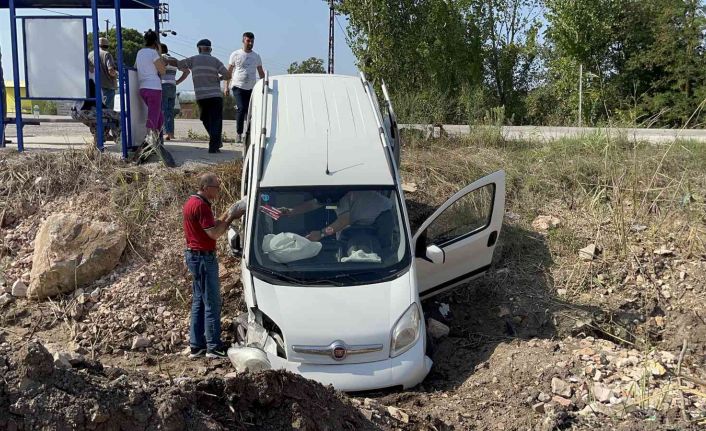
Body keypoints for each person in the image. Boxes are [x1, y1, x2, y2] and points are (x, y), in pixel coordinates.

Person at [183, 173, 246, 359]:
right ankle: (213, 347)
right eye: (216, 187)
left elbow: (211, 225)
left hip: (195, 256)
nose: (218, 190)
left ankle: (197, 345)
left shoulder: (193, 203)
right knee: (212, 302)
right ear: (206, 187)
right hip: (203, 258)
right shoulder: (201, 206)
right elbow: (215, 233)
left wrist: (228, 213)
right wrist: (231, 217)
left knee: (199, 301)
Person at [178, 39, 231, 153]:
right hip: (216, 96)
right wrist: (219, 78)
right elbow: (227, 75)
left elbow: (179, 64)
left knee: (205, 119)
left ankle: (215, 144)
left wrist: (167, 60)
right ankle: (215, 143)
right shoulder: (216, 61)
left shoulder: (193, 60)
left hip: (202, 97)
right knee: (216, 120)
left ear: (199, 48)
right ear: (210, 49)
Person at [281, 191, 393, 242]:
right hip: (363, 215)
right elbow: (313, 204)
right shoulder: (331, 193)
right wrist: (291, 211)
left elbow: (343, 222)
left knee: (384, 246)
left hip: (382, 214)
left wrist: (321, 234)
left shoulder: (341, 198)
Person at [225, 32, 265, 144]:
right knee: (241, 108)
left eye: (252, 41)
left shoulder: (256, 56)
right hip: (238, 86)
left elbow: (261, 72)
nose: (250, 43)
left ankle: (248, 135)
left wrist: (265, 85)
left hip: (251, 87)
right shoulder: (235, 54)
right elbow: (229, 71)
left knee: (250, 111)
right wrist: (226, 87)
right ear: (243, 41)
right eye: (248, 41)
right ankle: (239, 133)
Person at [135, 30, 168, 146]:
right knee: (154, 114)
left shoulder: (139, 52)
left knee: (159, 115)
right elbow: (162, 71)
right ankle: (150, 139)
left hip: (142, 88)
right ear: (156, 42)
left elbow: (136, 67)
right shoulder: (153, 53)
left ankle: (156, 138)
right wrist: (159, 53)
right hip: (154, 87)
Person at [161, 44, 190, 141]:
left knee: (164, 110)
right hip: (172, 86)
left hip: (163, 85)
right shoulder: (174, 60)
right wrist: (177, 81)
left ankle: (166, 133)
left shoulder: (161, 58)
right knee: (170, 111)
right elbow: (187, 71)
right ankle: (171, 133)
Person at [88, 37, 118, 110]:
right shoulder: (106, 54)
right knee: (107, 110)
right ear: (107, 46)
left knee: (97, 109)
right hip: (107, 86)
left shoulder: (90, 54)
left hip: (94, 85)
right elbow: (110, 70)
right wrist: (116, 73)